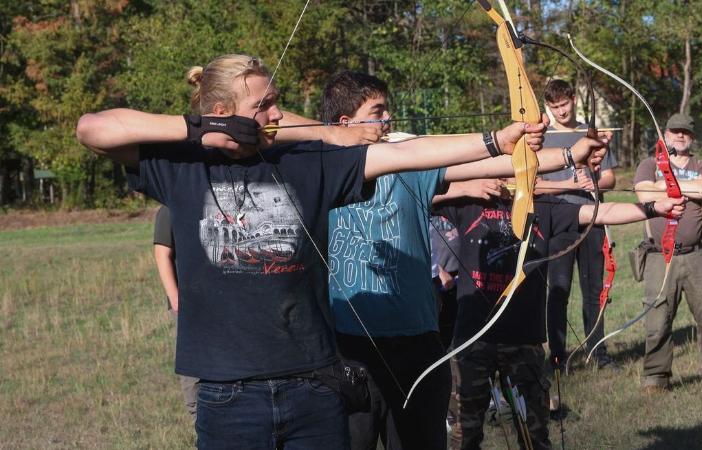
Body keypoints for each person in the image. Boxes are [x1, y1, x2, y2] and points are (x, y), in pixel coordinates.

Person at [75, 54, 551, 449]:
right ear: (223, 109)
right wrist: (203, 128)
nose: (279, 114)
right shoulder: (181, 168)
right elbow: (92, 128)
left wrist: (496, 140)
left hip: (313, 386)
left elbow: (402, 155)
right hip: (227, 392)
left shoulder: (304, 164)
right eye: (265, 105)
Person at [321, 71, 610, 450]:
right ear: (345, 123)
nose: (388, 118)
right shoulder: (318, 169)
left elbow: (491, 164)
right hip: (350, 348)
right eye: (378, 111)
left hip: (416, 345)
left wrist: (570, 154)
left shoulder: (411, 166)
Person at [435, 179, 686, 450]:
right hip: (474, 338)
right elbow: (421, 191)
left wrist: (654, 207)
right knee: (464, 435)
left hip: (524, 339)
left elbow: (601, 212)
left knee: (535, 435)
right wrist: (466, 188)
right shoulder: (471, 202)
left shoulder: (544, 206)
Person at [633, 113, 702, 396]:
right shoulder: (649, 165)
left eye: (685, 133)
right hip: (658, 255)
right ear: (665, 135)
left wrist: (664, 188)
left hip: (698, 255)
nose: (680, 136)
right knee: (657, 321)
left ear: (692, 138)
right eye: (674, 131)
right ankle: (656, 379)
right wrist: (683, 189)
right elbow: (643, 194)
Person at [535, 79, 619, 371]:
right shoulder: (543, 139)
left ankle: (599, 354)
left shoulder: (590, 133)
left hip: (592, 222)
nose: (560, 111)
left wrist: (593, 179)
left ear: (573, 99)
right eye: (554, 106)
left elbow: (609, 177)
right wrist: (569, 183)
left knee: (594, 290)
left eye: (564, 104)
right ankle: (557, 357)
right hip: (558, 224)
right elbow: (534, 185)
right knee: (558, 290)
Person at [152, 205, 198, 422]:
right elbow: (162, 254)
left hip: (219, 302)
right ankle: (197, 415)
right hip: (188, 304)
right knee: (193, 365)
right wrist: (176, 299)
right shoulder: (169, 208)